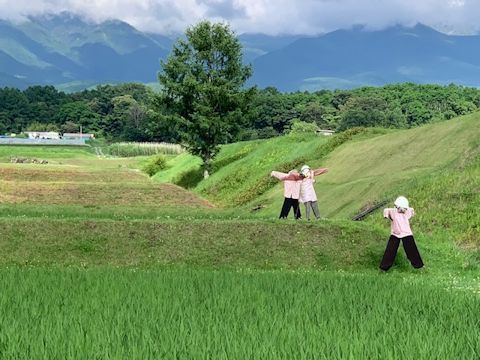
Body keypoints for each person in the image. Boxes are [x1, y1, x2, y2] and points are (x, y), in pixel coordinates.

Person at [379, 196, 424, 271]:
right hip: (395, 233)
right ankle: (384, 268)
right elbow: (386, 211)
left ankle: (419, 266)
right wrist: (394, 210)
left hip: (406, 233)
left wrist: (404, 208)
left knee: (412, 250)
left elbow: (411, 210)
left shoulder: (407, 211)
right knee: (390, 251)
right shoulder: (393, 211)